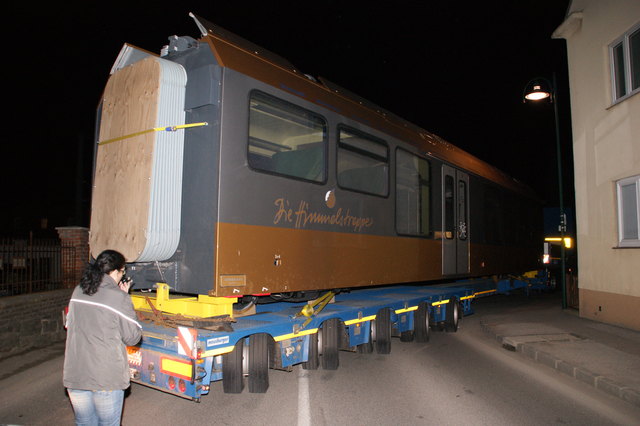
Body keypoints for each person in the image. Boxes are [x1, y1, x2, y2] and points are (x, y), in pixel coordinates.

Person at [63, 249, 142, 426]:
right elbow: (132, 337)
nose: (122, 276)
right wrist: (124, 297)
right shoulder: (118, 297)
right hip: (105, 377)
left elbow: (69, 324)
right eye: (123, 272)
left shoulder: (78, 291)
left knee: (84, 423)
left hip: (76, 374)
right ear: (114, 271)